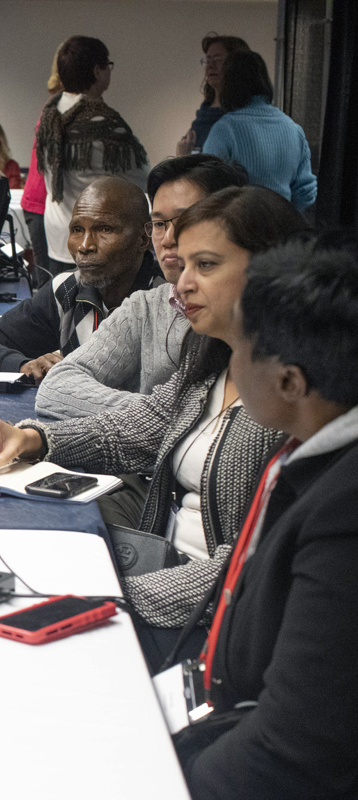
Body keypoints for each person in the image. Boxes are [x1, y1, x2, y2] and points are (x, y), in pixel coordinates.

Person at [0, 186, 307, 670]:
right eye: (182, 265)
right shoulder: (211, 357)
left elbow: (245, 569)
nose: (183, 283)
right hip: (160, 573)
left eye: (205, 266)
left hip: (203, 621)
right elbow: (135, 428)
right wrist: (34, 440)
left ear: (270, 270)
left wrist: (113, 597)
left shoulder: (289, 397)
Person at [176, 235, 358, 799]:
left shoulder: (343, 515)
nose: (230, 366)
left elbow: (293, 745)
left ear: (289, 382)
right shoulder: (308, 447)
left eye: (239, 351)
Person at [36, 155, 248, 419]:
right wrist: (158, 416)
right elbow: (56, 387)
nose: (168, 238)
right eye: (159, 224)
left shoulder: (253, 316)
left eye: (186, 220)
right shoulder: (145, 306)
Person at [0, 176, 161, 382]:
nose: (84, 246)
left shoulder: (169, 302)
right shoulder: (67, 290)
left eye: (105, 229)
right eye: (77, 230)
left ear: (143, 238)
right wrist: (23, 365)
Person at [36, 36, 149, 269]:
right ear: (98, 71)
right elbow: (144, 179)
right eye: (108, 65)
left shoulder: (48, 116)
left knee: (61, 303)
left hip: (59, 238)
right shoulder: (106, 125)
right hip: (96, 242)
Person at [203, 50, 317, 211]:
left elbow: (207, 188)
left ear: (228, 85)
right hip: (283, 228)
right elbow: (305, 192)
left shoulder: (225, 129)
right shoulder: (294, 129)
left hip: (239, 229)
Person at [20, 47, 64, 286]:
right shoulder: (57, 107)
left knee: (55, 280)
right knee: (49, 282)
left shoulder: (61, 104)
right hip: (40, 204)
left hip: (49, 204)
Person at [176, 33, 251, 156]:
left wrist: (183, 161)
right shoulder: (202, 118)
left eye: (218, 60)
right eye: (208, 60)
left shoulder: (244, 119)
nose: (210, 66)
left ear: (238, 65)